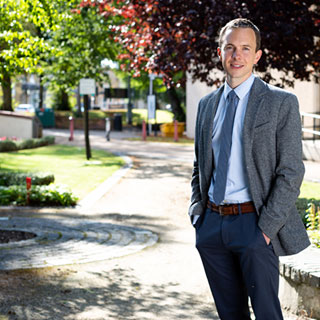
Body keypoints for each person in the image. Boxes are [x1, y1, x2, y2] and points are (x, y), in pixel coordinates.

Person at [189, 18, 310, 320]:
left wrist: (265, 230)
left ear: (257, 56)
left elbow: (291, 171)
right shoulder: (206, 105)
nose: (236, 55)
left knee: (268, 313)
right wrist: (197, 213)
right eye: (230, 47)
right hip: (212, 226)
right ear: (220, 52)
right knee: (230, 314)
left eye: (245, 48)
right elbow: (199, 166)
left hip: (254, 224)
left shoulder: (280, 103)